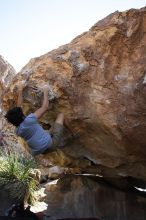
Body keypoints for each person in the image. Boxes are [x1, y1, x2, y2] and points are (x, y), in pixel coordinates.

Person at [5, 83, 65, 156]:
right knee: (61, 115)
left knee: (46, 130)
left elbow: (19, 107)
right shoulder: (29, 120)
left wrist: (20, 91)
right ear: (22, 116)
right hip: (51, 144)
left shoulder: (17, 131)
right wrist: (45, 91)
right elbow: (45, 107)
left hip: (41, 151)